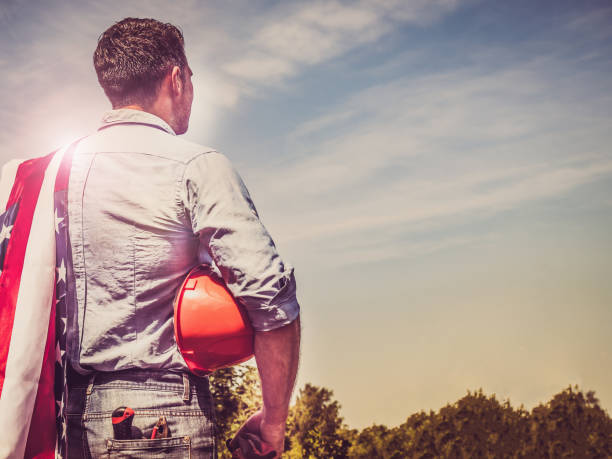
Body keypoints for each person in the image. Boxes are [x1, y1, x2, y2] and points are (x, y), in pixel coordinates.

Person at [64, 17, 300, 458]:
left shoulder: (55, 176)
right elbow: (271, 300)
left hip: (70, 421)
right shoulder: (196, 166)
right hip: (163, 421)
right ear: (177, 78)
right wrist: (273, 422)